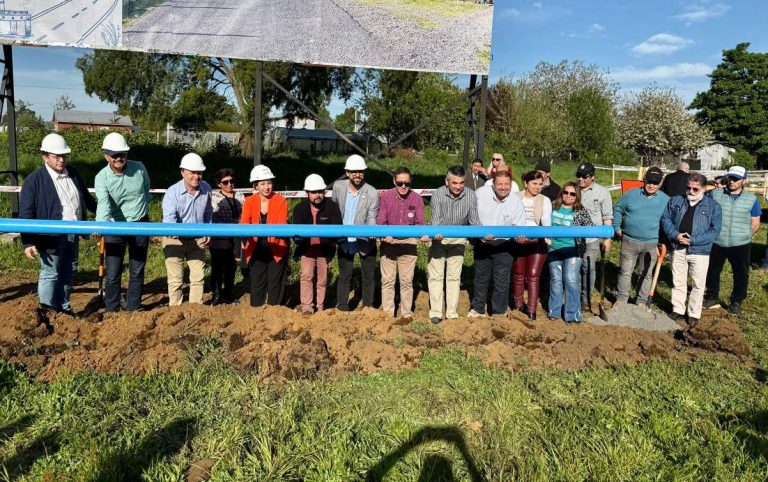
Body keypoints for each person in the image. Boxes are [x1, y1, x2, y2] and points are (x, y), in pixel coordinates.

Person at [20, 133, 96, 316]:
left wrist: (104, 216)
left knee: (69, 271)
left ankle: (64, 309)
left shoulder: (74, 174)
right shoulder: (34, 180)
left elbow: (87, 199)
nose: (61, 160)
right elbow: (25, 214)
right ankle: (47, 311)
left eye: (64, 156)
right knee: (51, 272)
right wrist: (28, 242)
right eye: (57, 156)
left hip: (73, 232)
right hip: (50, 235)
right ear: (45, 157)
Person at [94, 132, 150, 312]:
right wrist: (100, 225)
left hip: (140, 223)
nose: (119, 158)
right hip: (114, 226)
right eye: (114, 155)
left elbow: (147, 190)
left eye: (122, 154)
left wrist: (140, 211)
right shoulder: (102, 177)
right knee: (112, 271)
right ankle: (112, 309)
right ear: (106, 157)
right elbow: (103, 204)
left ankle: (134, 307)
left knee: (137, 269)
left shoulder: (140, 168)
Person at [661, 173, 722, 328]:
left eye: (695, 189)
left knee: (698, 283)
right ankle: (678, 308)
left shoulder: (713, 206)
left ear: (703, 188)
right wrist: (675, 235)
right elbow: (665, 219)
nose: (691, 191)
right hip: (678, 247)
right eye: (688, 188)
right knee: (678, 280)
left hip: (699, 250)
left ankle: (694, 313)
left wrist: (693, 240)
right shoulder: (676, 201)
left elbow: (715, 230)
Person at [704, 166, 761, 315]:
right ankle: (712, 296)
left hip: (740, 243)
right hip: (718, 240)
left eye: (737, 179)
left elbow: (755, 221)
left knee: (741, 273)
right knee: (713, 270)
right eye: (731, 177)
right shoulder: (715, 195)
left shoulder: (751, 199)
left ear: (744, 180)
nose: (732, 181)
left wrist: (745, 235)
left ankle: (736, 302)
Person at [468, 170, 526, 317]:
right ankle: (478, 309)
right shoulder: (480, 194)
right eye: (500, 184)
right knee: (480, 278)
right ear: (493, 184)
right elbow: (471, 214)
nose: (503, 187)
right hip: (482, 243)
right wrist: (478, 235)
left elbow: (519, 226)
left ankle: (498, 312)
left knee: (502, 281)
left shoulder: (516, 201)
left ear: (511, 185)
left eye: (506, 184)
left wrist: (519, 236)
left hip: (504, 245)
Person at [427, 166, 480, 324]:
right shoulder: (437, 194)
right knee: (436, 276)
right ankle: (435, 312)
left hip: (458, 239)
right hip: (439, 239)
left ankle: (451, 312)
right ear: (446, 182)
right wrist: (435, 233)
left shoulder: (470, 195)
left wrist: (483, 234)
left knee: (454, 277)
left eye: (461, 183)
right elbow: (436, 219)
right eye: (454, 182)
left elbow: (474, 220)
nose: (458, 186)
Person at [612, 167, 670, 306]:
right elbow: (618, 208)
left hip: (651, 243)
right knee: (625, 271)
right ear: (644, 180)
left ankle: (641, 301)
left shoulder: (666, 200)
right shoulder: (631, 194)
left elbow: (669, 220)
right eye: (649, 181)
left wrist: (664, 239)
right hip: (629, 240)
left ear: (660, 184)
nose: (651, 185)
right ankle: (621, 300)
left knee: (646, 274)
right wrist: (617, 226)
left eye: (655, 183)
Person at [161, 153, 213, 306]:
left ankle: (195, 310)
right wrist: (174, 230)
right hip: (174, 240)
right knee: (175, 279)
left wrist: (208, 230)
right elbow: (169, 218)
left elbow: (208, 211)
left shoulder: (207, 188)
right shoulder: (172, 192)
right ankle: (175, 310)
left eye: (199, 173)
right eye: (192, 172)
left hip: (197, 239)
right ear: (183, 172)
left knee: (198, 277)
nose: (196, 176)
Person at [376, 167, 426, 320]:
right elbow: (381, 222)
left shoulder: (417, 199)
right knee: (388, 280)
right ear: (394, 181)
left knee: (406, 281)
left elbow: (421, 223)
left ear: (410, 182)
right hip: (389, 243)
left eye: (406, 183)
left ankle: (406, 313)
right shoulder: (385, 197)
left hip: (408, 243)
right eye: (400, 183)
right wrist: (385, 235)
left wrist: (421, 235)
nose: (403, 186)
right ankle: (388, 313)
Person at [332, 154, 380, 311]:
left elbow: (372, 216)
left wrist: (371, 231)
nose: (357, 175)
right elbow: (334, 210)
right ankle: (342, 306)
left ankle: (368, 307)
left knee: (368, 277)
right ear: (347, 173)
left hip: (365, 239)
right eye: (354, 172)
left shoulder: (372, 192)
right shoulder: (338, 187)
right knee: (345, 275)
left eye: (360, 171)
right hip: (345, 239)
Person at [292, 174, 342, 315]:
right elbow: (296, 231)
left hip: (324, 249)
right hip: (307, 249)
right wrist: (297, 240)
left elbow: (338, 228)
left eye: (320, 191)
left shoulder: (332, 207)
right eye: (314, 192)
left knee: (323, 279)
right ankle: (307, 307)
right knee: (307, 276)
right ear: (307, 193)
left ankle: (320, 308)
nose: (318, 195)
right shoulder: (299, 209)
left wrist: (336, 242)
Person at [241, 165, 289, 307]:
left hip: (276, 246)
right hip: (256, 247)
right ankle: (256, 312)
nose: (267, 187)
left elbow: (281, 224)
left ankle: (274, 312)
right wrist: (244, 239)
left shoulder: (281, 200)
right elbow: (244, 222)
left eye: (269, 183)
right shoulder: (249, 201)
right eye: (262, 184)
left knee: (275, 283)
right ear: (256, 185)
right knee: (257, 282)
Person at [547, 182, 593, 322]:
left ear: (577, 196)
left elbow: (590, 228)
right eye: (565, 192)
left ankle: (572, 314)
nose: (568, 196)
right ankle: (554, 312)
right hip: (554, 248)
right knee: (555, 280)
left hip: (573, 250)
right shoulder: (553, 206)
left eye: (572, 194)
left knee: (571, 280)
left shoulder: (580, 210)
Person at [511, 170, 552, 319]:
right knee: (518, 274)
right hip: (518, 239)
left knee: (533, 276)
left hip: (537, 240)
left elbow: (546, 222)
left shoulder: (544, 200)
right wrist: (515, 236)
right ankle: (518, 305)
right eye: (534, 183)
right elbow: (511, 219)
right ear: (525, 183)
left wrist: (542, 237)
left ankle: (531, 310)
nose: (537, 187)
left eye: (540, 184)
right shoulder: (515, 198)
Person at [576, 162, 612, 311]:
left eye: (584, 176)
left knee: (588, 267)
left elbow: (607, 216)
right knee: (575, 267)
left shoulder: (602, 193)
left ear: (592, 177)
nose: (580, 179)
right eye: (578, 175)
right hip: (574, 237)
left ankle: (586, 298)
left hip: (592, 238)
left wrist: (607, 238)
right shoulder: (573, 190)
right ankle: (574, 296)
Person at [209, 168, 245, 305]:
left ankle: (228, 294)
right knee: (217, 268)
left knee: (231, 267)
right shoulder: (213, 197)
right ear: (219, 184)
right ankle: (216, 295)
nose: (229, 184)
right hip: (218, 238)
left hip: (235, 237)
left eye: (231, 181)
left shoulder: (240, 196)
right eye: (225, 182)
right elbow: (211, 216)